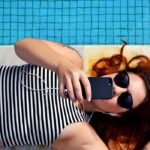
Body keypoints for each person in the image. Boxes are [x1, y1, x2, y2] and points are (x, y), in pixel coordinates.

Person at [0, 38, 149, 150]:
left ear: (118, 115)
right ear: (116, 72)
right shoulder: (72, 60)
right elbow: (21, 45)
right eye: (123, 79)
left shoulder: (82, 133)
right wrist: (60, 65)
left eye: (125, 100)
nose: (117, 89)